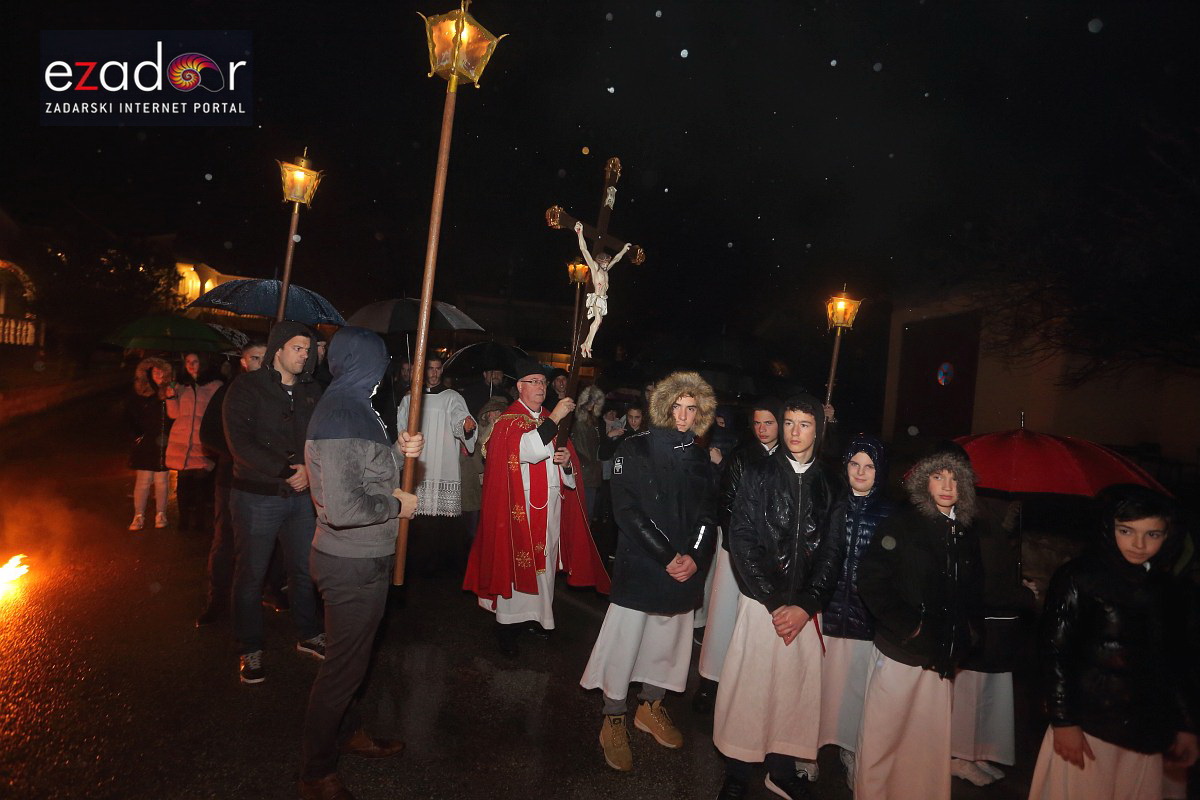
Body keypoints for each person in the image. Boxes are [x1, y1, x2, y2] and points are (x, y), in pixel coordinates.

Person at [298, 326, 424, 800]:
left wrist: (398, 452)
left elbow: (365, 471)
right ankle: (315, 773)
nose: (384, 372)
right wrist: (399, 505)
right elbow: (345, 507)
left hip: (361, 559)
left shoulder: (353, 407)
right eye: (379, 362)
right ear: (362, 364)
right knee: (341, 671)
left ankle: (345, 733)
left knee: (353, 662)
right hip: (350, 563)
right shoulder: (342, 413)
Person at [580, 371, 718, 773]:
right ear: (663, 405)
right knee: (624, 644)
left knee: (667, 645)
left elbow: (708, 515)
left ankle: (650, 708)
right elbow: (627, 511)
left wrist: (693, 556)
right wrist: (666, 556)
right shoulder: (634, 447)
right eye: (677, 405)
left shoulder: (699, 456)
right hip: (642, 565)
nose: (684, 415)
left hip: (683, 570)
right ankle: (614, 718)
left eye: (692, 409)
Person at [1026, 484, 1197, 800]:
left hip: (1145, 726)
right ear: (1110, 528)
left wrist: (1185, 724)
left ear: (1169, 536)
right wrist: (1064, 720)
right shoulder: (1079, 576)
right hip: (1090, 724)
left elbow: (1175, 660)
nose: (1138, 544)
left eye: (1152, 534)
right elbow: (1055, 651)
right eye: (1126, 530)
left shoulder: (1167, 589)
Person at [713, 394, 846, 800]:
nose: (794, 431)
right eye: (789, 422)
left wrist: (807, 604)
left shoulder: (830, 482)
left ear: (817, 430)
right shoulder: (759, 472)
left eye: (804, 424)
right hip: (762, 604)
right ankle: (737, 768)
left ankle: (781, 768)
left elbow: (833, 549)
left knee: (792, 691)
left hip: (803, 610)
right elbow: (743, 538)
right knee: (749, 686)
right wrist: (773, 601)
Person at [854, 447, 984, 800]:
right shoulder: (902, 523)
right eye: (938, 475)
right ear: (925, 480)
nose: (946, 485)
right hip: (902, 651)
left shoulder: (966, 531)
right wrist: (910, 627)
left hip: (941, 655)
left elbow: (973, 589)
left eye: (955, 477)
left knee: (927, 742)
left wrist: (968, 632)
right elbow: (870, 580)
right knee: (884, 737)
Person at [464, 358, 610, 657]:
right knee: (516, 563)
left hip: (550, 507)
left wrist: (567, 465)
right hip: (518, 508)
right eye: (534, 382)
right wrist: (554, 418)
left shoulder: (549, 418)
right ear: (519, 387)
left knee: (544, 567)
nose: (541, 387)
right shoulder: (508, 421)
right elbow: (526, 450)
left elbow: (565, 465)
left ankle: (536, 618)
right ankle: (507, 627)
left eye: (543, 382)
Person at [224, 321, 325, 684]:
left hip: (301, 500)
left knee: (303, 569)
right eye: (298, 348)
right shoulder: (247, 388)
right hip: (257, 496)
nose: (305, 355)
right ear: (278, 350)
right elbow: (240, 443)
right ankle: (249, 647)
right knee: (251, 574)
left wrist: (310, 470)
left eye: (308, 349)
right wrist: (286, 470)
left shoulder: (312, 391)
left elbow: (320, 436)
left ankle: (309, 633)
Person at [816, 434, 896, 791]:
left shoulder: (891, 514)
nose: (861, 472)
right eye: (854, 464)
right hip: (827, 611)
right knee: (820, 687)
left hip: (865, 620)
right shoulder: (829, 502)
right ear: (845, 466)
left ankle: (850, 751)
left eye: (869, 466)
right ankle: (808, 750)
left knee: (855, 694)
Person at [693, 398, 782, 715]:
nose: (762, 429)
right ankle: (710, 682)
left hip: (771, 555)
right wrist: (741, 544)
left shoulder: (788, 460)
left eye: (769, 422)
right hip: (736, 549)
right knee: (723, 615)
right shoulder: (742, 457)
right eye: (758, 423)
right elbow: (726, 502)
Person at [195, 339, 266, 627]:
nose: (260, 363)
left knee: (264, 540)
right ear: (244, 362)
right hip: (231, 478)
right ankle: (217, 600)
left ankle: (266, 592)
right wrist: (241, 454)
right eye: (255, 358)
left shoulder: (274, 393)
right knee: (225, 540)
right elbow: (208, 435)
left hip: (265, 482)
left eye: (265, 357)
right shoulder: (227, 392)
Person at [395, 356, 476, 576]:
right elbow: (401, 428)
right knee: (417, 519)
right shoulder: (411, 398)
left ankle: (442, 568)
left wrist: (466, 426)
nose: (434, 373)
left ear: (442, 371)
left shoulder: (452, 397)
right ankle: (415, 566)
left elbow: (460, 418)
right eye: (430, 369)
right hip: (418, 463)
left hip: (443, 465)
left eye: (438, 369)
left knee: (442, 525)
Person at [165, 352, 222, 532]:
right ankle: (183, 521)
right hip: (181, 443)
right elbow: (174, 414)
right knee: (183, 486)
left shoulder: (215, 385)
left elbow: (217, 415)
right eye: (188, 362)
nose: (191, 365)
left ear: (203, 362)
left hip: (201, 443)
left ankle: (200, 522)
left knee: (201, 486)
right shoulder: (182, 386)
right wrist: (171, 396)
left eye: (195, 361)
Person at [125, 357, 175, 531]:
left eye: (161, 371)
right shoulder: (140, 392)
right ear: (148, 373)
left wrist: (170, 397)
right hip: (146, 442)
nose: (158, 374)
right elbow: (130, 415)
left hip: (163, 442)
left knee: (162, 480)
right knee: (143, 480)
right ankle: (138, 515)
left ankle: (161, 514)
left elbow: (175, 416)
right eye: (155, 371)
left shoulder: (170, 391)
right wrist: (138, 435)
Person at [574, 220, 632, 358]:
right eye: (604, 264)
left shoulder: (606, 271)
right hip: (595, 297)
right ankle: (587, 345)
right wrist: (580, 233)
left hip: (602, 300)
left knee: (598, 323)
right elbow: (584, 250)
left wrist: (624, 250)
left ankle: (586, 344)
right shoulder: (596, 269)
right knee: (598, 320)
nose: (606, 266)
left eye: (607, 264)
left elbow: (617, 259)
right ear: (600, 262)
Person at [572, 385, 606, 522]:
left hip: (592, 473)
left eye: (595, 401)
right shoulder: (580, 424)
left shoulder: (595, 422)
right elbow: (580, 450)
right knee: (584, 514)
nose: (592, 404)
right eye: (590, 401)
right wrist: (589, 466)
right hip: (585, 474)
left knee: (588, 514)